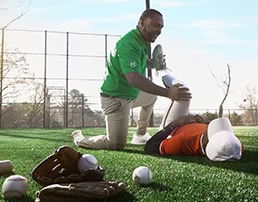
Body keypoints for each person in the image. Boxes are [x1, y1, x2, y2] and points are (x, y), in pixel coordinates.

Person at [72, 8, 191, 150]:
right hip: (115, 98)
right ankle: (80, 139)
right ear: (141, 23)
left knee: (151, 97)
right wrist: (168, 93)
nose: (159, 30)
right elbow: (133, 78)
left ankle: (140, 135)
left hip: (131, 94)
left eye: (161, 27)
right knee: (116, 144)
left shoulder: (142, 40)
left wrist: (153, 63)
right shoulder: (128, 44)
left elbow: (140, 61)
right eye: (155, 25)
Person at [144, 107, 243, 161]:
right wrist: (205, 122)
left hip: (173, 126)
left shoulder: (182, 142)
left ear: (205, 144)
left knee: (182, 94)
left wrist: (174, 124)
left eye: (212, 131)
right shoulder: (234, 146)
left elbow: (148, 147)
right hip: (189, 122)